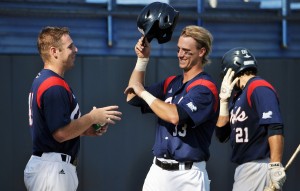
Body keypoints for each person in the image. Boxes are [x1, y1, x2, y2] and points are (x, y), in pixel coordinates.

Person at [24, 26, 122, 191]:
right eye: (70, 46)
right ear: (54, 51)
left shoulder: (46, 80)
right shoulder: (53, 85)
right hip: (53, 169)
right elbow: (60, 134)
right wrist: (92, 117)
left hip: (51, 166)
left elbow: (56, 129)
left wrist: (87, 129)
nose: (75, 49)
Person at [124, 24, 218, 191]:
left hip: (188, 174)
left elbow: (176, 116)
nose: (180, 55)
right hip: (158, 170)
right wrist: (142, 60)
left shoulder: (205, 88)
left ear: (201, 52)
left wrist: (143, 92)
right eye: (178, 49)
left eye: (187, 50)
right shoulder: (172, 82)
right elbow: (132, 96)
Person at [215, 47, 286, 191]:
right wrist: (223, 102)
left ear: (232, 70)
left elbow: (274, 126)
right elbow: (222, 135)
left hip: (258, 166)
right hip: (247, 169)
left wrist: (275, 165)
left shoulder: (258, 87)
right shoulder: (238, 95)